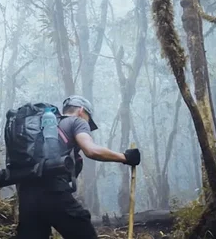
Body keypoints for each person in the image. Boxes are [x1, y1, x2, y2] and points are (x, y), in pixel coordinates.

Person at [15, 95, 141, 238]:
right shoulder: (77, 122)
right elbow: (91, 150)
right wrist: (125, 157)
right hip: (54, 192)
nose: (88, 124)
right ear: (81, 110)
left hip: (27, 195)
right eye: (88, 118)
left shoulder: (44, 127)